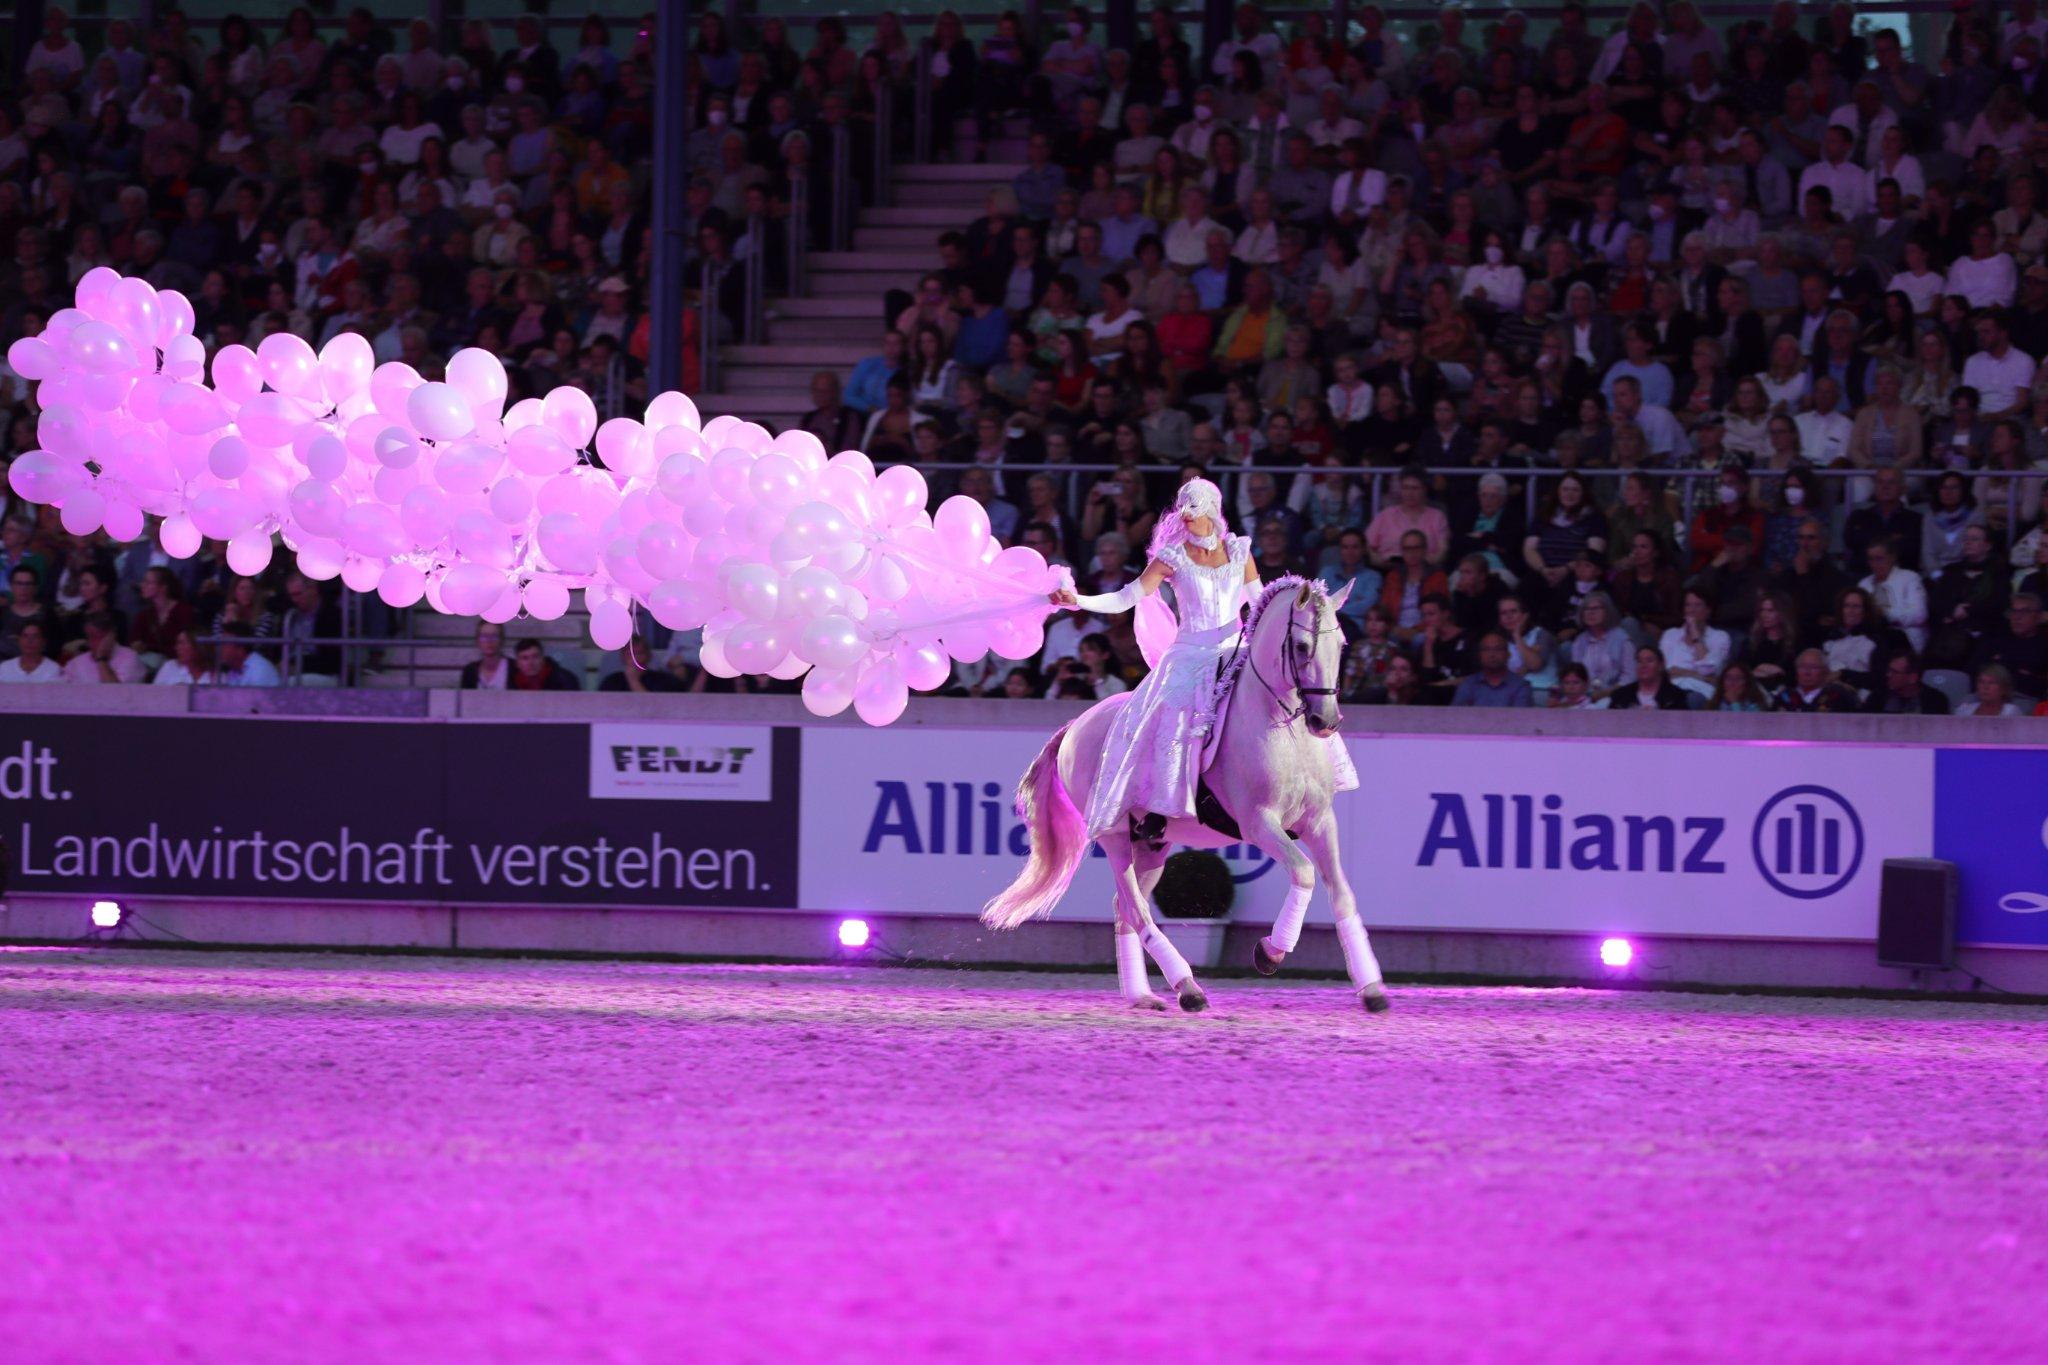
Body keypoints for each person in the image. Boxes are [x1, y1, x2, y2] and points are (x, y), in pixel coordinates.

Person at [1045, 477, 1357, 840]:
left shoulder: (1239, 551)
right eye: (1184, 507)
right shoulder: (1171, 557)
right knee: (1167, 714)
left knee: (1284, 693)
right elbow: (1125, 597)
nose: (1187, 515)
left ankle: (1308, 786)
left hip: (1235, 648)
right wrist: (1078, 600)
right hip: (1189, 654)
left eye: (1194, 506)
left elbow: (1259, 604)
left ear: (1212, 508)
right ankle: (1159, 807)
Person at [61, 613, 143, 684]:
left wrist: (102, 659)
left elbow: (116, 695)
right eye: (89, 636)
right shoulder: (76, 663)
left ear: (111, 636)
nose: (91, 642)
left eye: (97, 637)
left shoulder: (130, 658)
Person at [1863, 649, 1951, 715]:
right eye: (1889, 670)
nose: (1888, 675)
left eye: (1895, 672)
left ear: (1913, 678)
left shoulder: (1935, 701)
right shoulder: (1877, 697)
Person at [1774, 648, 1859, 712]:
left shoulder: (1839, 695)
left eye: (1813, 668)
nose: (1807, 672)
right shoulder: (1784, 696)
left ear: (1826, 671)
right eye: (1802, 667)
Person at [1607, 646, 1691, 710]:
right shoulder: (1620, 695)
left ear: (1661, 665)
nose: (1643, 665)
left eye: (1649, 661)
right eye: (1639, 661)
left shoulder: (1676, 696)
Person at [1955, 664, 2024, 717]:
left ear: (2004, 688)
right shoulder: (1965, 710)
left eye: (1992, 682)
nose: (1985, 687)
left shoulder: (2011, 712)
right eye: (1981, 682)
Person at [510, 637, 579, 690]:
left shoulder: (564, 680)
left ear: (543, 659)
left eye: (535, 656)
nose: (531, 663)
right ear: (517, 663)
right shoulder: (510, 682)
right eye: (525, 658)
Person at [460, 621, 512, 688]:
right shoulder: (470, 671)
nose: (489, 641)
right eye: (484, 637)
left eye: (494, 636)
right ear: (477, 641)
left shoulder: (513, 668)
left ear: (502, 640)